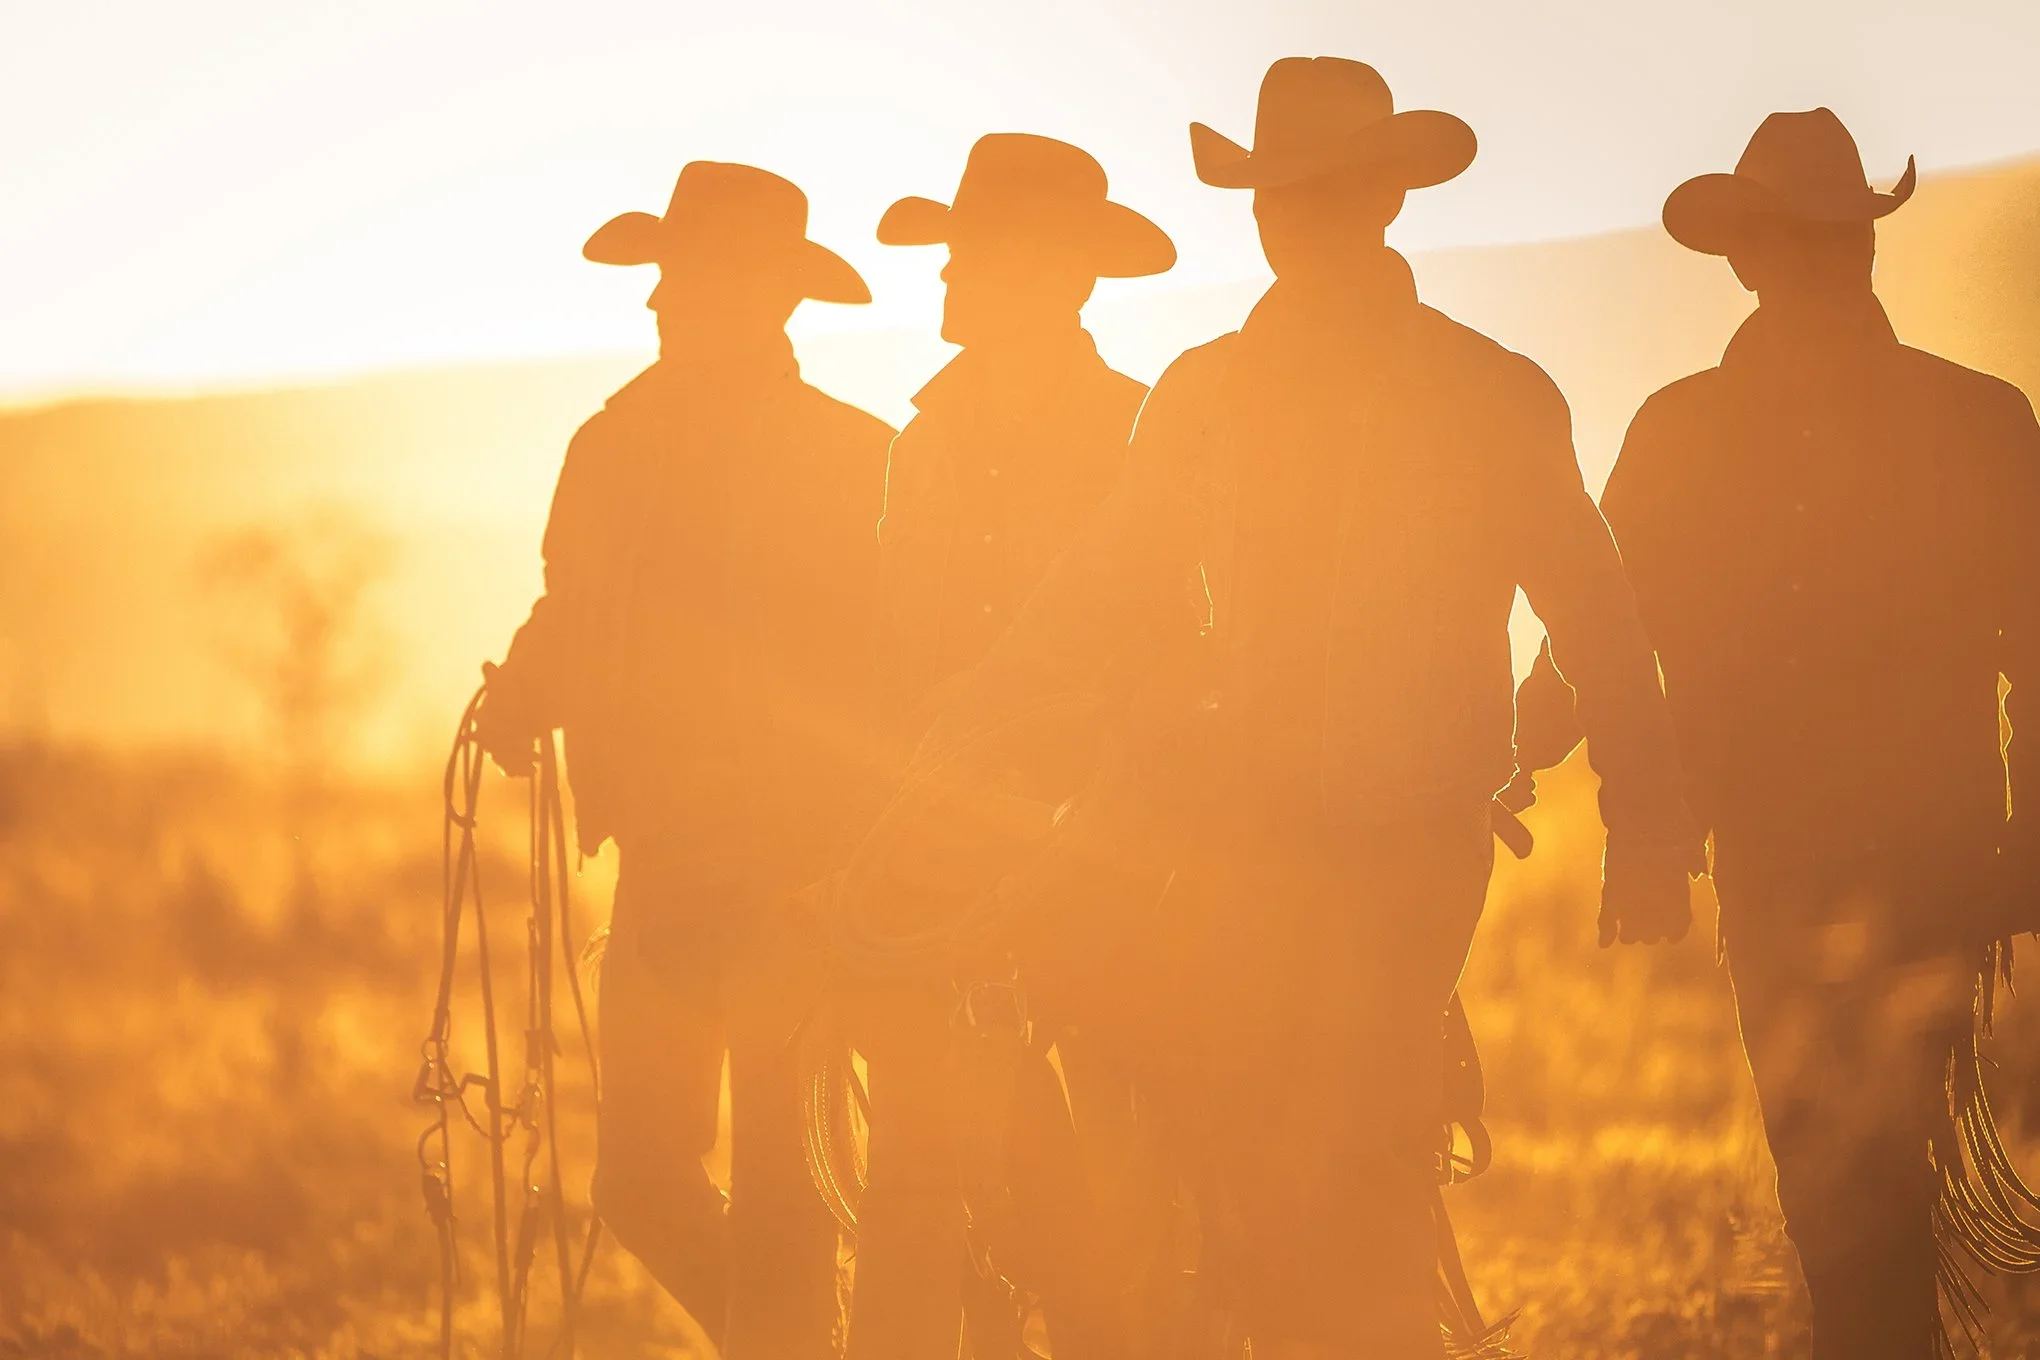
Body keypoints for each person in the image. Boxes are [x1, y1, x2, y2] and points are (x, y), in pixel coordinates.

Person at [923, 57, 1700, 1359]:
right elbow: (1101, 595)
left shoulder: (1335, 395)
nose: (1299, 217)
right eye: (1288, 194)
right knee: (1256, 1162)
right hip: (1252, 850)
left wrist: (1654, 822)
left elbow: (1601, 622)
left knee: (1326, 1159)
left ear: (1385, 202)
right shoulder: (1300, 395)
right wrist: (966, 725)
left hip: (1383, 852)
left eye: (1322, 192)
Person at [1511, 108, 2040, 1359]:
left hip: (1786, 853)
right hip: (1939, 851)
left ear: (1747, 256)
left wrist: (1514, 747)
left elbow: (1600, 620)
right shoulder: (1979, 417)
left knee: (1836, 1176)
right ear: (1862, 244)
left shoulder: (1684, 427)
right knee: (1878, 1165)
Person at [473, 161, 895, 1360]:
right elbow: (573, 607)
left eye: (685, 278)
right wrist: (527, 690)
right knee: (641, 1182)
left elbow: (876, 673)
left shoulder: (851, 460)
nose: (657, 302)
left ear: (762, 297)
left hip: (799, 883)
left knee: (787, 1191)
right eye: (662, 278)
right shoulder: (611, 445)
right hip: (664, 864)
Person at [843, 131, 1177, 1360]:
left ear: (1052, 275)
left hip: (1117, 857)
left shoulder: (1147, 437)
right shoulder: (923, 444)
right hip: (947, 859)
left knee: (1130, 1175)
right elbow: (896, 658)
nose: (942, 283)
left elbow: (1178, 644)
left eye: (967, 257)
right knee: (948, 1183)